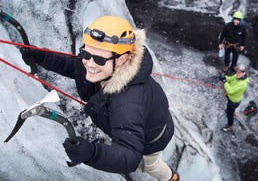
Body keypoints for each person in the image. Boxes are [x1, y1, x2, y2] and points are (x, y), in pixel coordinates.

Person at [20, 16, 179, 181]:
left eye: (99, 59)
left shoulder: (128, 103)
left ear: (122, 59)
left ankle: (172, 178)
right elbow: (74, 68)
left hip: (152, 137)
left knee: (149, 165)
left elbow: (130, 156)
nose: (89, 63)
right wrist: (41, 57)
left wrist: (93, 153)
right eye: (85, 53)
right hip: (128, 121)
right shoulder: (97, 66)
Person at [221, 63, 249, 132]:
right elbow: (230, 78)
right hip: (230, 98)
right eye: (237, 72)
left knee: (229, 115)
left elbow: (230, 91)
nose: (238, 74)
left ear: (244, 73)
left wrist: (225, 82)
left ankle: (230, 126)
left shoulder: (243, 84)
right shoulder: (237, 75)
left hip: (233, 102)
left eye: (240, 73)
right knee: (230, 110)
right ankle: (230, 111)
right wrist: (224, 78)